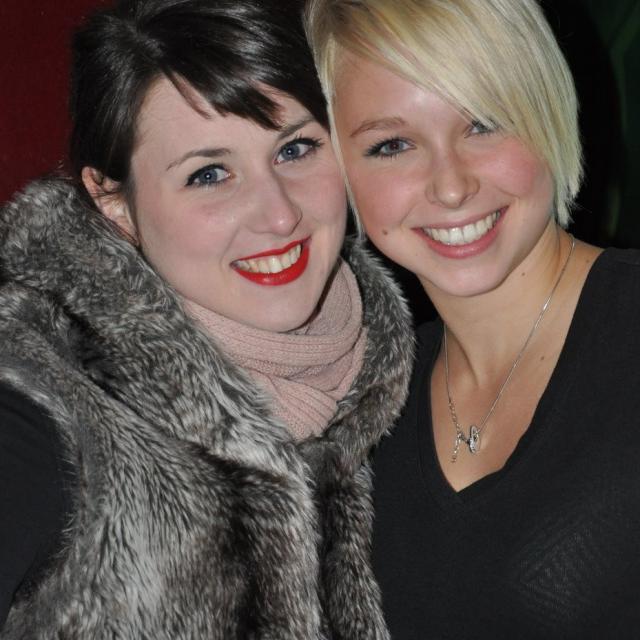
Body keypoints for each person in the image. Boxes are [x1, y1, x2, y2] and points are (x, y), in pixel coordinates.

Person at [0, 0, 414, 636]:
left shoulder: (417, 382)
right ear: (114, 203)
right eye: (210, 174)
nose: (279, 214)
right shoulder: (41, 407)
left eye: (296, 148)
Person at [305, 0, 640, 637]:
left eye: (483, 124)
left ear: (545, 111)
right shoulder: (356, 409)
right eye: (392, 145)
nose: (451, 186)